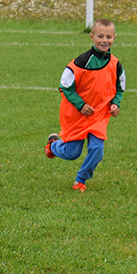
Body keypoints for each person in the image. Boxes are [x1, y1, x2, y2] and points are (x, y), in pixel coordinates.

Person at [44, 19, 125, 192]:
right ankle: (53, 145)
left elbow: (120, 88)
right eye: (100, 36)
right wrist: (81, 105)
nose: (104, 40)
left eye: (108, 37)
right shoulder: (80, 62)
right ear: (91, 37)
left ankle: (80, 180)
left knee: (97, 149)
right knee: (72, 153)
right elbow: (65, 86)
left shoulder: (116, 65)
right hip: (77, 115)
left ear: (114, 38)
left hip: (98, 116)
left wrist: (115, 104)